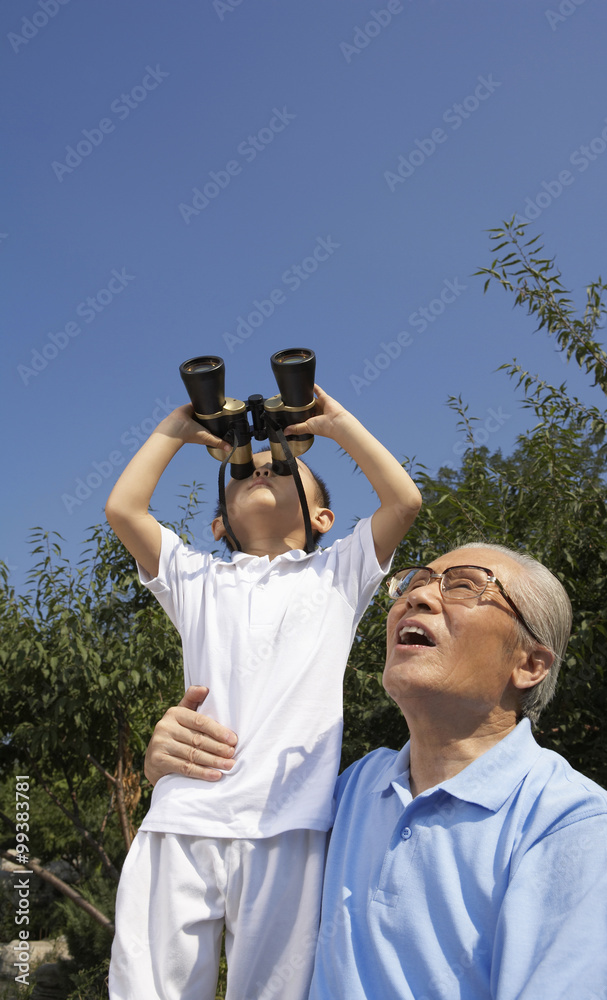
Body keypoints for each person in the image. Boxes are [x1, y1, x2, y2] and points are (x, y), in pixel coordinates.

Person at [146, 544, 607, 999]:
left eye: (464, 586)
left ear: (529, 665)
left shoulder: (579, 832)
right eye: (413, 583)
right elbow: (235, 822)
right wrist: (176, 768)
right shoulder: (347, 792)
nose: (417, 597)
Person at [104, 383, 422, 1000]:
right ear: (220, 523)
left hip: (290, 823)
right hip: (184, 817)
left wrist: (334, 422)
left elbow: (403, 500)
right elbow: (125, 509)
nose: (262, 468)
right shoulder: (196, 577)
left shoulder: (339, 572)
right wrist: (177, 426)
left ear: (324, 519)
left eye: (282, 463)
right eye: (245, 469)